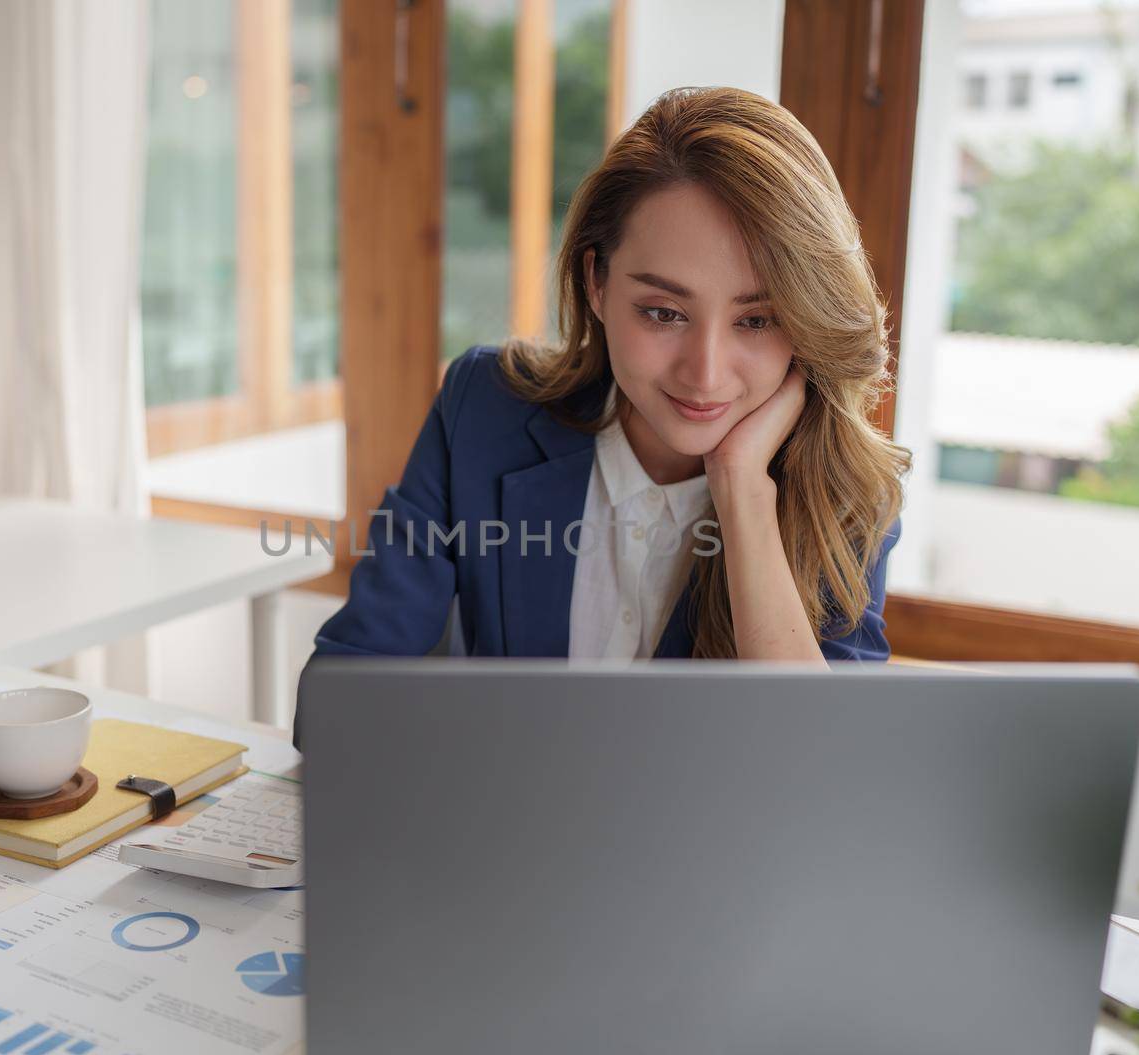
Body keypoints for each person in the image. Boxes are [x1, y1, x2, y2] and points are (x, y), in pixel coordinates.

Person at [298, 87, 911, 737]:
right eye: (664, 312)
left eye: (757, 320)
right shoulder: (484, 408)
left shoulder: (847, 492)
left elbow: (826, 783)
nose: (705, 373)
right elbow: (334, 708)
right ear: (596, 283)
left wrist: (743, 495)